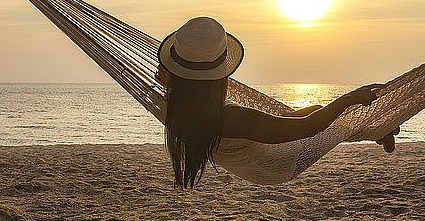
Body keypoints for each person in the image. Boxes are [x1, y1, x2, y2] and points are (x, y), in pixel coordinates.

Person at [156, 16, 400, 189]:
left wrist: (169, 75)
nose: (159, 71)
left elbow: (299, 124)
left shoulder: (177, 103)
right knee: (323, 120)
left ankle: (377, 130)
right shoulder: (233, 120)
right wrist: (350, 98)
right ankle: (377, 129)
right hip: (279, 163)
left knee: (314, 112)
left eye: (164, 67)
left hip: (260, 145)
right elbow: (308, 129)